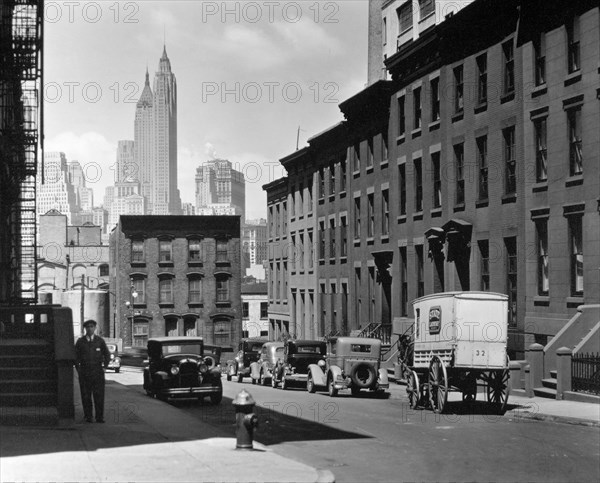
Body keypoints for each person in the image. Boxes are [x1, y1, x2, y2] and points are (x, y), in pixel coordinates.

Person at [75, 319, 110, 423]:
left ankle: (99, 417)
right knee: (86, 396)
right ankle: (88, 416)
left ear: (95, 328)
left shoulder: (100, 341)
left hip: (97, 372)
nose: (90, 328)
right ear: (85, 328)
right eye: (88, 327)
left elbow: (107, 355)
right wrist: (79, 370)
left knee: (99, 395)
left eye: (92, 326)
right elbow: (75, 357)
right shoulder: (80, 342)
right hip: (85, 372)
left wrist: (105, 367)